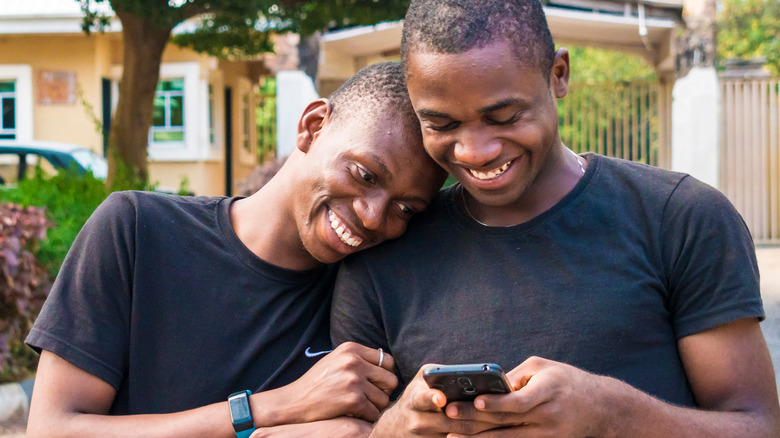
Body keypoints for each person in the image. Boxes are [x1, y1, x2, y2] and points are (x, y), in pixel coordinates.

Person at [331, 1, 780, 437]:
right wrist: (396, 428)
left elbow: (758, 425)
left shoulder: (680, 218)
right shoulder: (383, 251)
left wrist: (609, 415)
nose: (474, 151)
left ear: (558, 75)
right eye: (442, 125)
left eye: (504, 116)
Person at [25, 61, 446, 438]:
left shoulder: (374, 294)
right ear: (313, 126)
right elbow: (53, 430)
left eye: (405, 209)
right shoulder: (138, 229)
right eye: (364, 174)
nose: (373, 217)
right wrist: (273, 408)